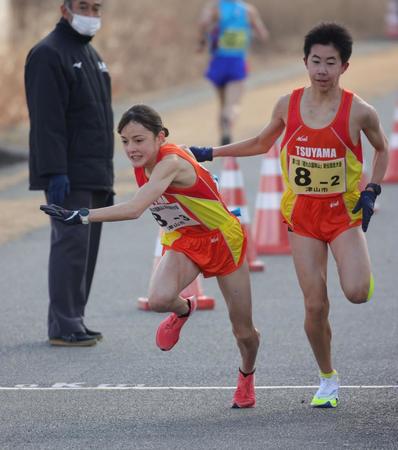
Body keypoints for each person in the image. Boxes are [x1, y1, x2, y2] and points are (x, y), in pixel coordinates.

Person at [190, 22, 389, 408]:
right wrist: (210, 152)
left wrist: (372, 189)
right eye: (316, 61)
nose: (322, 70)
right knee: (315, 304)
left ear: (344, 67)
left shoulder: (360, 111)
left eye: (331, 63)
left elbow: (382, 150)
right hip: (302, 215)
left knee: (357, 293)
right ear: (305, 61)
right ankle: (328, 378)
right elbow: (262, 142)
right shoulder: (287, 104)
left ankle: (358, 277)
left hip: (343, 213)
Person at [41, 104, 261, 408]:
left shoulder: (169, 162)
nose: (131, 148)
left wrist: (80, 215)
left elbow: (134, 209)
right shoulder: (146, 161)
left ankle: (246, 375)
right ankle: (184, 310)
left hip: (222, 239)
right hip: (186, 238)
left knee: (243, 330)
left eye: (139, 140)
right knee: (158, 300)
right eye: (125, 141)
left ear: (160, 137)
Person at [25, 0, 114, 347]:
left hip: (95, 170)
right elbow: (46, 121)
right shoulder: (48, 53)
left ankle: (74, 316)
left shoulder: (92, 55)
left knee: (86, 249)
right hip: (68, 174)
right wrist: (54, 172)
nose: (91, 15)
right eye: (83, 7)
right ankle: (63, 323)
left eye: (96, 8)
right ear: (64, 9)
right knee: (71, 247)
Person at [197, 0, 268, 145]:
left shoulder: (214, 8)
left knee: (222, 103)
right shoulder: (248, 10)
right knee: (233, 104)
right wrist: (249, 33)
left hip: (218, 62)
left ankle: (224, 133)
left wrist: (202, 42)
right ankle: (229, 119)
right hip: (237, 62)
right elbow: (263, 34)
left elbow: (203, 24)